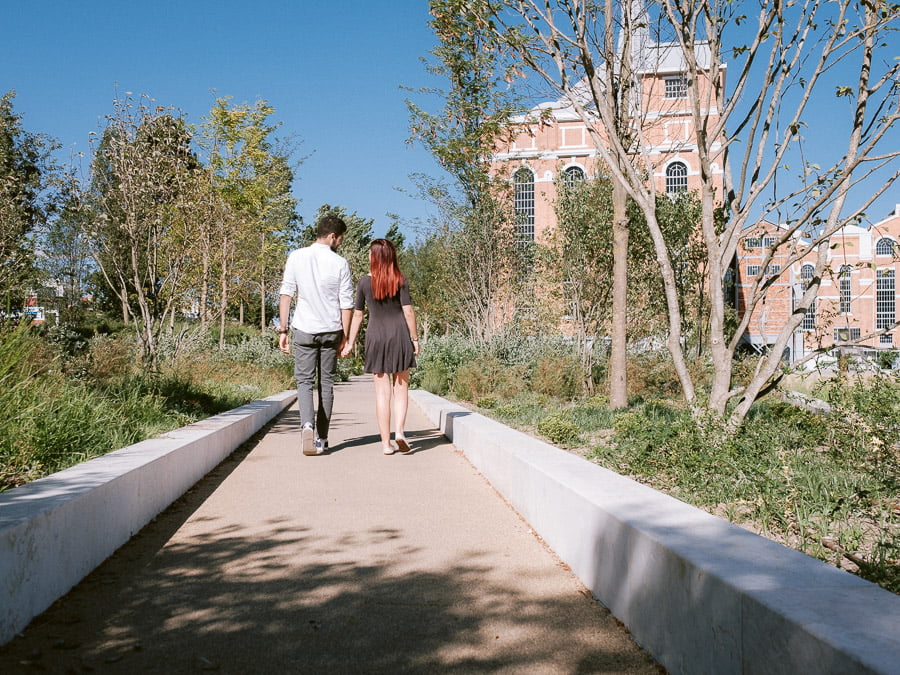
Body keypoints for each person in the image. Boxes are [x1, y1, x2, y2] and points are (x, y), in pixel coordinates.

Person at [278, 215, 354, 455]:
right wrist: (346, 336)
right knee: (326, 384)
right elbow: (347, 304)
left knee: (304, 382)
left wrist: (283, 329)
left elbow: (286, 294)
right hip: (331, 329)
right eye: (340, 239)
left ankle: (307, 425)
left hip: (304, 329)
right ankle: (321, 438)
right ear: (332, 236)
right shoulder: (340, 263)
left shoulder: (296, 256)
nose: (340, 243)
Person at [341, 239, 420, 455]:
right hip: (399, 335)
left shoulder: (364, 283)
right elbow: (408, 311)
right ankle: (400, 432)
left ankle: (386, 444)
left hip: (376, 337)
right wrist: (415, 339)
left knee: (382, 394)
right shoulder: (400, 279)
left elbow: (358, 314)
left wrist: (349, 342)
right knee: (401, 388)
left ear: (374, 257)